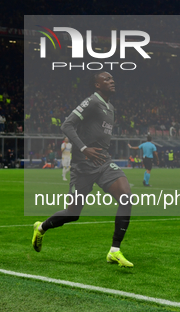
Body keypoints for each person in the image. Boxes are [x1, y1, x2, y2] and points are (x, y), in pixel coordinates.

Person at [31, 72, 134, 268]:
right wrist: (84, 148)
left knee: (126, 197)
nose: (112, 81)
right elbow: (67, 125)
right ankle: (41, 227)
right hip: (82, 166)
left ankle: (114, 251)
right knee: (73, 213)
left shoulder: (111, 109)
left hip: (103, 162)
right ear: (97, 85)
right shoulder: (92, 102)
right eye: (107, 79)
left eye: (113, 78)